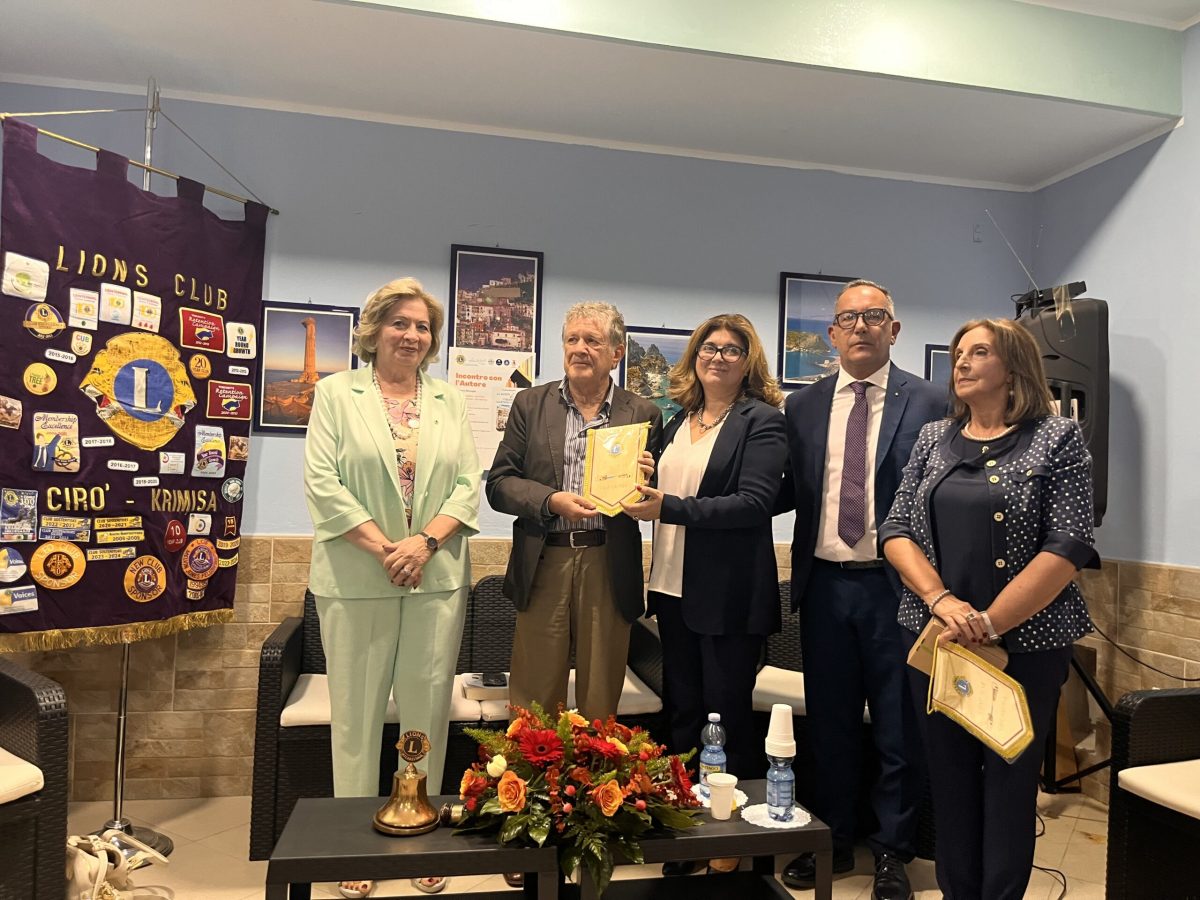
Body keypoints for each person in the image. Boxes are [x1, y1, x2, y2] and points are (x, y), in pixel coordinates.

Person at [880, 317, 1097, 899]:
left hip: (1026, 647)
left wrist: (989, 622)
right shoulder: (934, 437)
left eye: (978, 352)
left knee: (1008, 785)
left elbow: (1069, 544)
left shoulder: (1056, 438)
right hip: (937, 642)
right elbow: (895, 529)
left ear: (1014, 366)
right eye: (959, 352)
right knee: (948, 782)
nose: (962, 362)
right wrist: (941, 600)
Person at [304, 277, 480, 898]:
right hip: (357, 580)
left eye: (423, 326)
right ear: (375, 330)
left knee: (426, 710)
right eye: (399, 323)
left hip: (435, 578)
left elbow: (468, 484)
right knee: (354, 718)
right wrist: (389, 549)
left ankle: (419, 827)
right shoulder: (336, 393)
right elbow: (322, 483)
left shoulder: (449, 400)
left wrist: (423, 544)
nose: (412, 335)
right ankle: (354, 846)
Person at [779, 279, 945, 900]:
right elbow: (785, 490)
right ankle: (834, 837)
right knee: (831, 725)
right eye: (847, 318)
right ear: (831, 334)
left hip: (897, 590)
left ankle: (893, 852)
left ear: (893, 330)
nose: (860, 327)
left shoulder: (931, 402)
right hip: (824, 587)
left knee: (900, 727)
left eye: (874, 316)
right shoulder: (803, 406)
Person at [620, 313, 786, 878]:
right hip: (671, 589)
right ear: (694, 357)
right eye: (709, 348)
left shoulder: (761, 421)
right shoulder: (678, 420)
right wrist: (643, 479)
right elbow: (666, 489)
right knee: (685, 715)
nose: (718, 357)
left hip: (729, 597)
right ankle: (688, 829)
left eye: (731, 350)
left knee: (728, 719)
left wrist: (666, 506)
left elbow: (754, 503)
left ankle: (733, 837)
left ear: (748, 361)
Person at [486, 301, 663, 722]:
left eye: (593, 341)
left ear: (616, 353)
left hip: (609, 561)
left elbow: (651, 498)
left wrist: (647, 484)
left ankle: (597, 766)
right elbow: (499, 484)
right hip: (544, 558)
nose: (580, 348)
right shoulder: (530, 404)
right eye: (572, 339)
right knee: (533, 700)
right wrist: (550, 501)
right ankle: (528, 766)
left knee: (601, 697)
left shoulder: (643, 413)